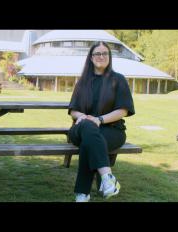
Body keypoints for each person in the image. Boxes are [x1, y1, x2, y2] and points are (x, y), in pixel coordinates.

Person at [67, 41, 135, 202]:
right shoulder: (83, 81)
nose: (101, 56)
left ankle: (82, 194)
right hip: (80, 128)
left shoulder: (118, 79)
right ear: (91, 58)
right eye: (97, 53)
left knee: (88, 144)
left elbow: (123, 110)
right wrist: (84, 117)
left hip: (111, 130)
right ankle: (107, 177)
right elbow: (73, 110)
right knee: (88, 129)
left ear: (109, 57)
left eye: (105, 53)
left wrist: (99, 119)